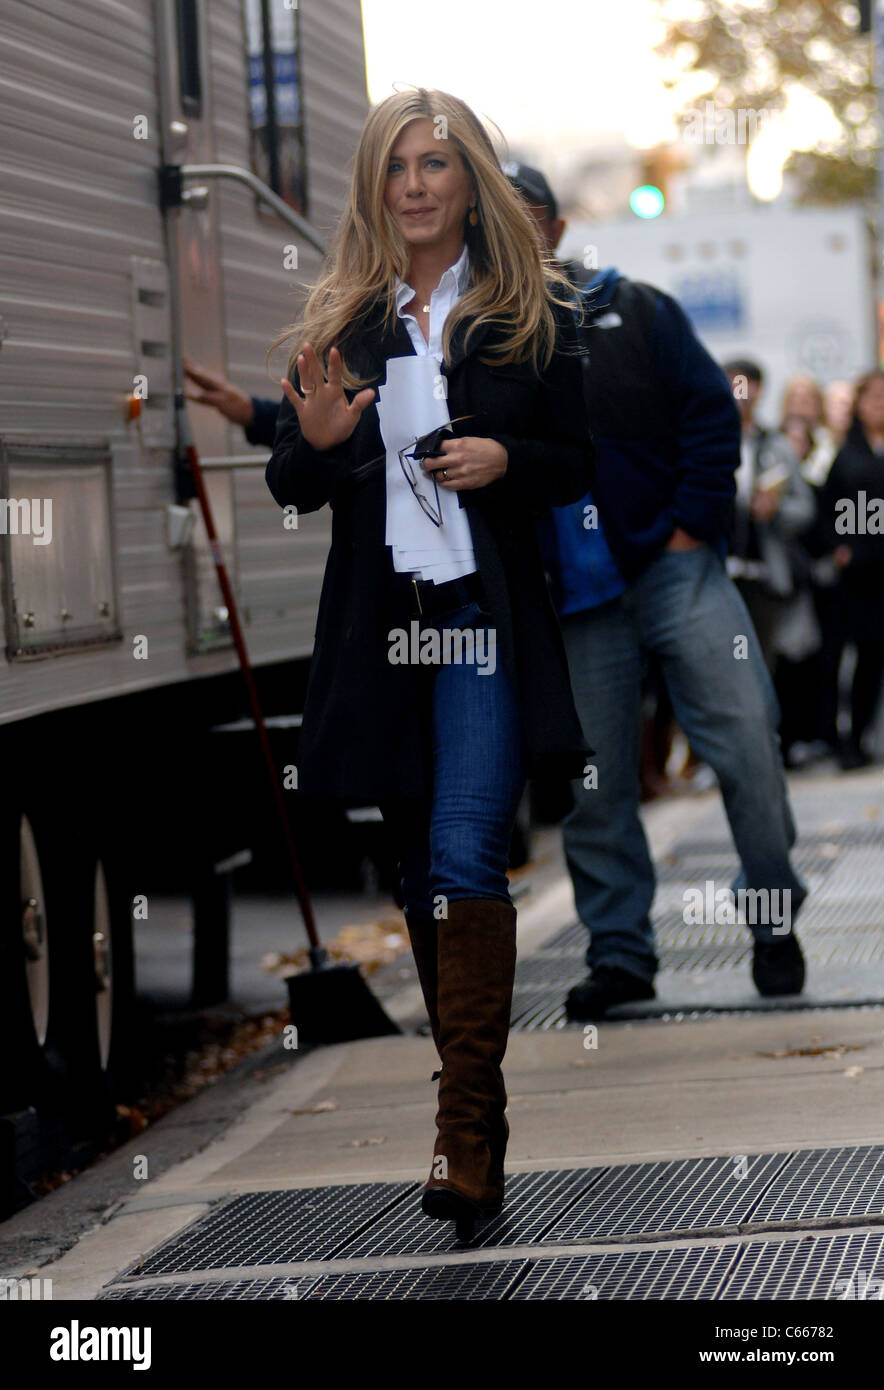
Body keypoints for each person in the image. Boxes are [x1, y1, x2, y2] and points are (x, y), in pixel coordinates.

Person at [264, 89, 593, 1235]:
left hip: (480, 623)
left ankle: (460, 1131)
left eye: (435, 165)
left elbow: (573, 458)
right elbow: (291, 480)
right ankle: (478, 1117)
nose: (414, 183)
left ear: (469, 183)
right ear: (375, 185)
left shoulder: (524, 314)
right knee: (418, 874)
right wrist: (310, 446)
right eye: (396, 165)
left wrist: (508, 456)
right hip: (381, 631)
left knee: (463, 853)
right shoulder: (345, 321)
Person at [508, 180, 807, 1017]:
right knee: (595, 783)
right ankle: (621, 956)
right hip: (575, 592)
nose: (512, 235)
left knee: (747, 737)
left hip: (675, 570)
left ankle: (772, 916)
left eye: (525, 221)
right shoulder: (483, 339)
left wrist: (689, 527)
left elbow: (714, 416)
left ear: (557, 228)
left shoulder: (636, 310)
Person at [724, 359, 818, 677]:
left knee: (762, 668)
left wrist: (775, 509)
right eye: (733, 384)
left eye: (746, 384)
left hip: (765, 577)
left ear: (760, 390)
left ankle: (761, 726)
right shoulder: (710, 443)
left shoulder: (777, 446)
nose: (740, 393)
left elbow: (805, 507)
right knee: (724, 665)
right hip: (721, 576)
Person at [817, 370, 884, 770]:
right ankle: (850, 739)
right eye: (871, 396)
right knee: (862, 657)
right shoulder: (847, 453)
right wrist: (841, 548)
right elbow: (828, 511)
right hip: (862, 576)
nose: (878, 403)